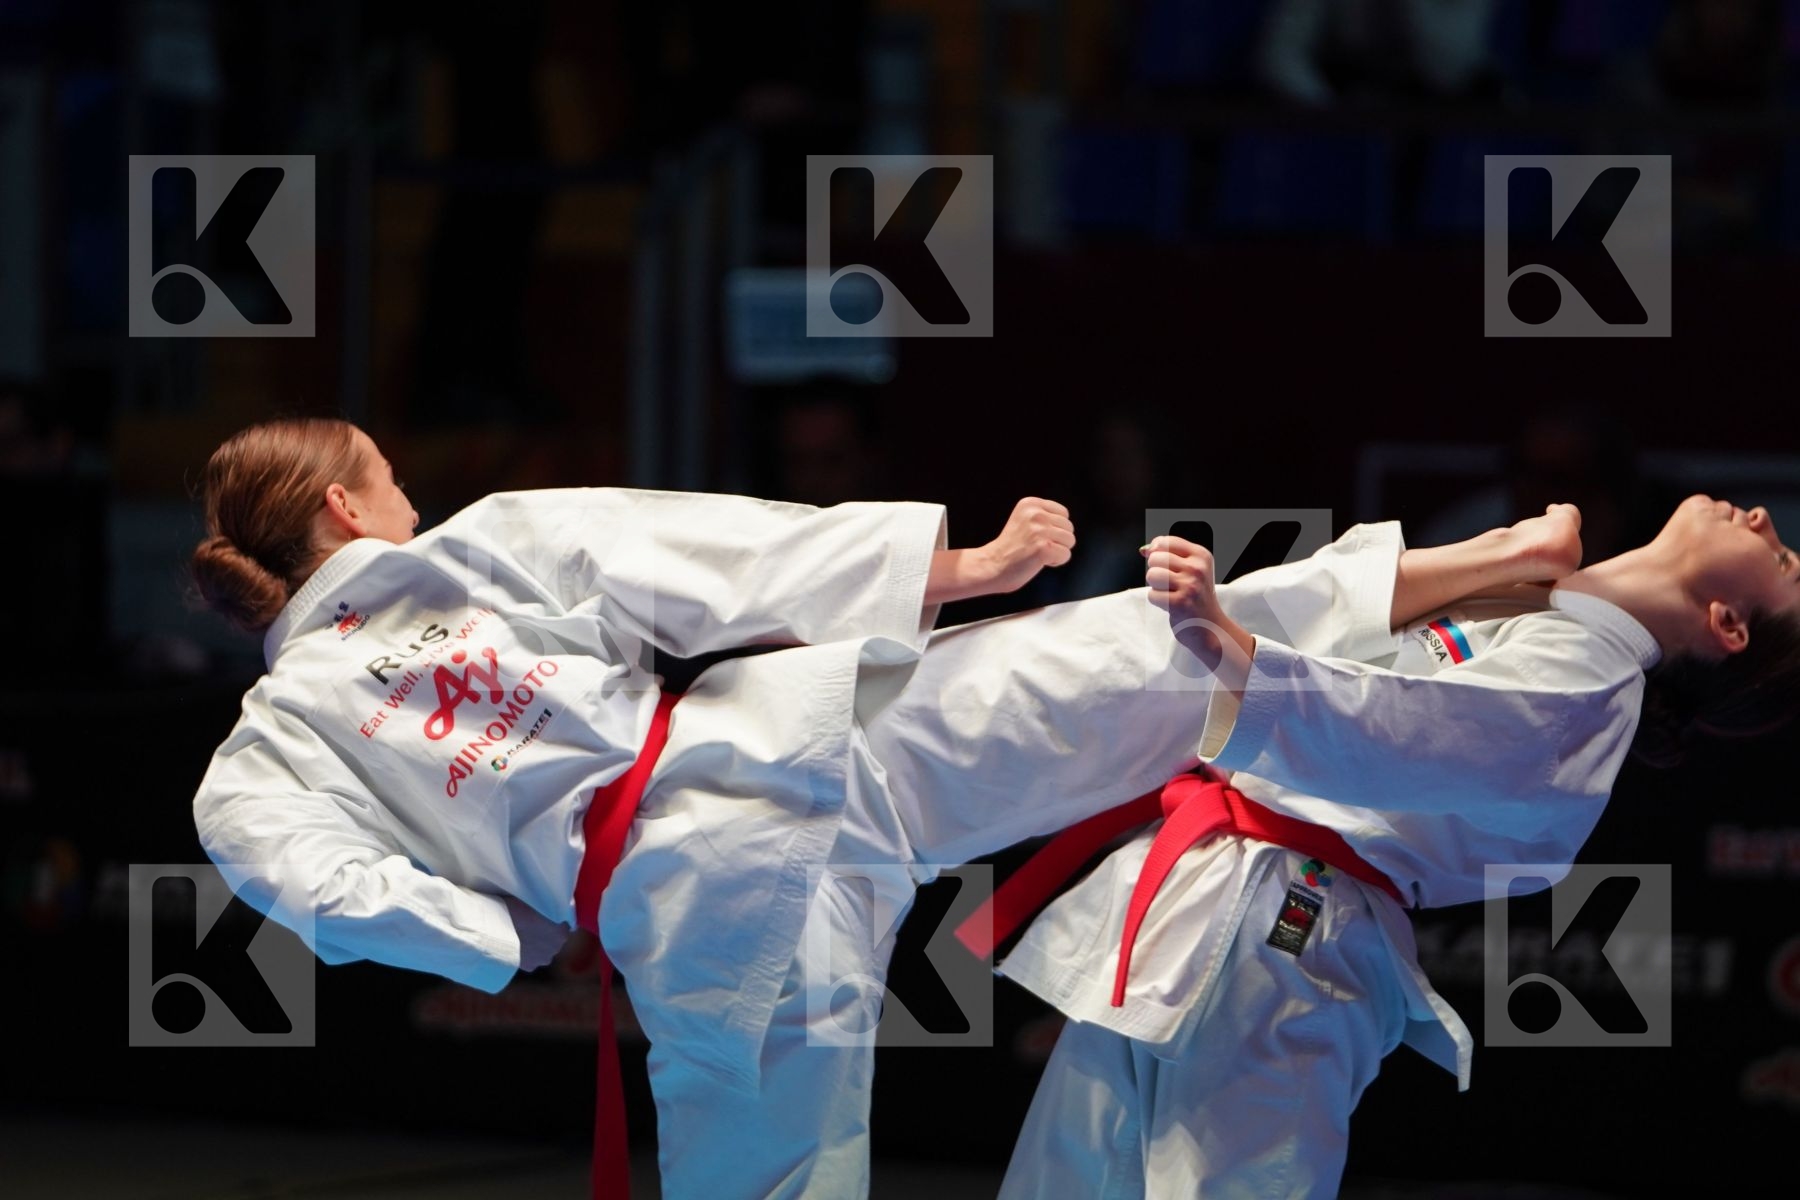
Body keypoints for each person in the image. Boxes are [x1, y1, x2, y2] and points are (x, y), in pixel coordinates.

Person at [192, 416, 1415, 1200]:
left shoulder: (265, 752)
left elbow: (315, 888)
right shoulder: (483, 545)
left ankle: (1445, 594)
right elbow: (709, 559)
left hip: (696, 916)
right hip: (809, 749)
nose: (408, 500)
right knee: (1137, 655)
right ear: (345, 511)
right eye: (391, 484)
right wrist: (964, 573)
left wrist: (505, 936)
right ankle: (1448, 591)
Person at [991, 496, 1800, 1198]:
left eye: (1786, 560)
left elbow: (1392, 728)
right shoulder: (1538, 611)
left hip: (1292, 933)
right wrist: (1511, 553)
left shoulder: (1585, 693)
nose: (1765, 519)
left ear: (1728, 624)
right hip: (1209, 891)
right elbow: (1342, 621)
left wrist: (1228, 644)